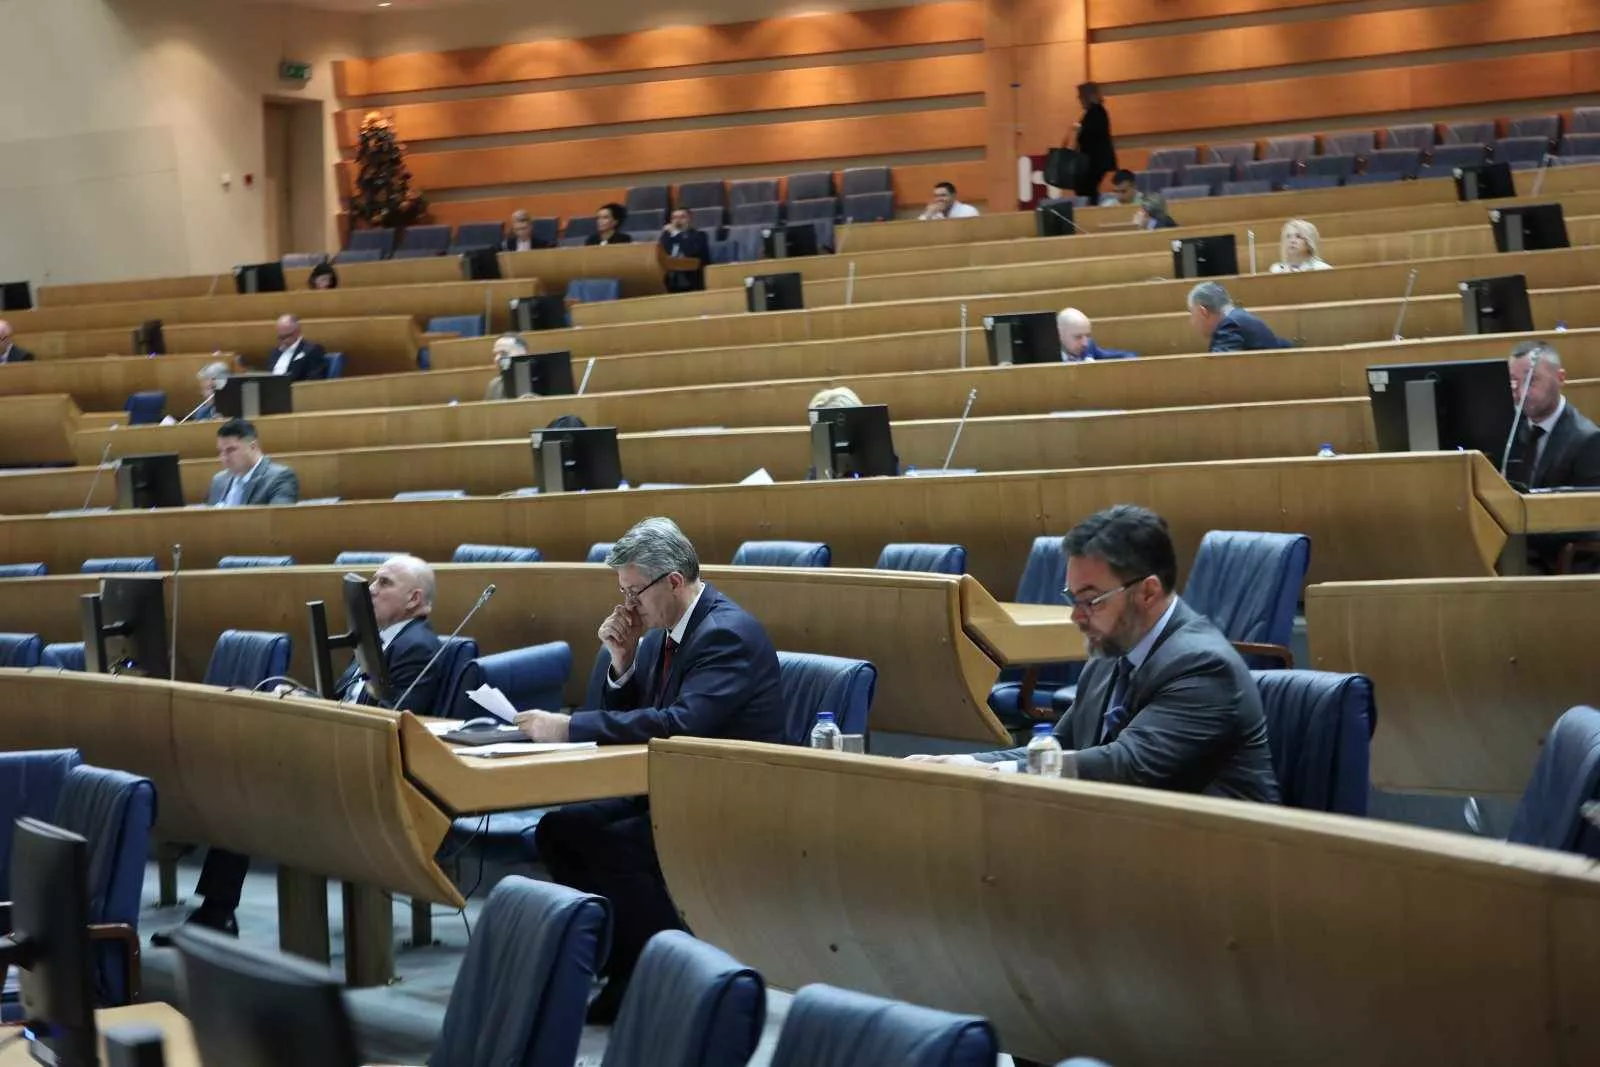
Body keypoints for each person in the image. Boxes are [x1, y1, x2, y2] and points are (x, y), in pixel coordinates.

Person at [520, 517, 786, 1022]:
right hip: (671, 788)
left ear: (674, 581)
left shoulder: (725, 635)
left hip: (728, 799)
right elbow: (640, 719)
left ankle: (671, 974)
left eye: (633, 591)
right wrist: (622, 661)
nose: (627, 606)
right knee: (560, 830)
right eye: (622, 592)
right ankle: (628, 963)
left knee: (616, 846)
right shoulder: (667, 632)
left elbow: (678, 724)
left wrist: (568, 727)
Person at [153, 556, 443, 943]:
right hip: (342, 754)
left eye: (384, 583)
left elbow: (391, 722)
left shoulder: (417, 647)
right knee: (241, 772)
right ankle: (216, 910)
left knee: (249, 783)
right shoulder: (378, 641)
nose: (371, 590)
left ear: (413, 599)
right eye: (373, 581)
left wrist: (315, 706)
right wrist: (300, 696)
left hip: (373, 777)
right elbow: (346, 703)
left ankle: (217, 911)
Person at [908, 505, 1280, 803]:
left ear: (1148, 592)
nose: (1077, 616)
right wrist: (960, 762)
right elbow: (1059, 749)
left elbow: (1127, 764)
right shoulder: (1111, 651)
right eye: (1072, 599)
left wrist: (991, 773)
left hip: (1222, 858)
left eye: (1092, 600)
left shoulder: (1202, 666)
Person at [204, 418, 300, 507]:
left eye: (231, 450)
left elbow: (278, 518)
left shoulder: (279, 478)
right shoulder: (218, 480)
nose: (224, 457)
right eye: (221, 451)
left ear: (252, 446)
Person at [1187, 282, 1290, 353]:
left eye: (1192, 313)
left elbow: (1219, 368)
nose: (1192, 321)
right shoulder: (1239, 317)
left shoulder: (1229, 326)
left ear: (1203, 312)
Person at [1067, 82, 1116, 200]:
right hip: (1095, 161)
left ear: (1087, 96)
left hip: (1094, 162)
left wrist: (1079, 131)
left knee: (1086, 191)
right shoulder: (1097, 111)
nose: (1079, 99)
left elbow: (1090, 136)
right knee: (1087, 190)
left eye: (1080, 96)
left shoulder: (1095, 112)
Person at [239, 314, 326, 381]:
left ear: (296, 332)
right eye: (280, 337)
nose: (282, 341)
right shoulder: (275, 351)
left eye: (285, 337)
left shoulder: (312, 350)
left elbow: (314, 379)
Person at [660, 208, 711, 292]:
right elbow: (662, 253)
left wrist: (676, 233)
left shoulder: (700, 236)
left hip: (692, 278)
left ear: (689, 219)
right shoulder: (667, 237)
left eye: (682, 217)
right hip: (671, 278)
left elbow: (688, 252)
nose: (677, 220)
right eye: (674, 218)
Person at [1057, 308, 1136, 362]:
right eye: (1078, 337)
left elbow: (1128, 355)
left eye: (1087, 336)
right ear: (1059, 335)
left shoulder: (1089, 347)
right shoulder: (1050, 357)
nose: (1085, 343)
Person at [483, 333, 530, 401]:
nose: (497, 359)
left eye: (504, 353)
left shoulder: (541, 381)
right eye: (495, 355)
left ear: (523, 355)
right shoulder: (495, 385)